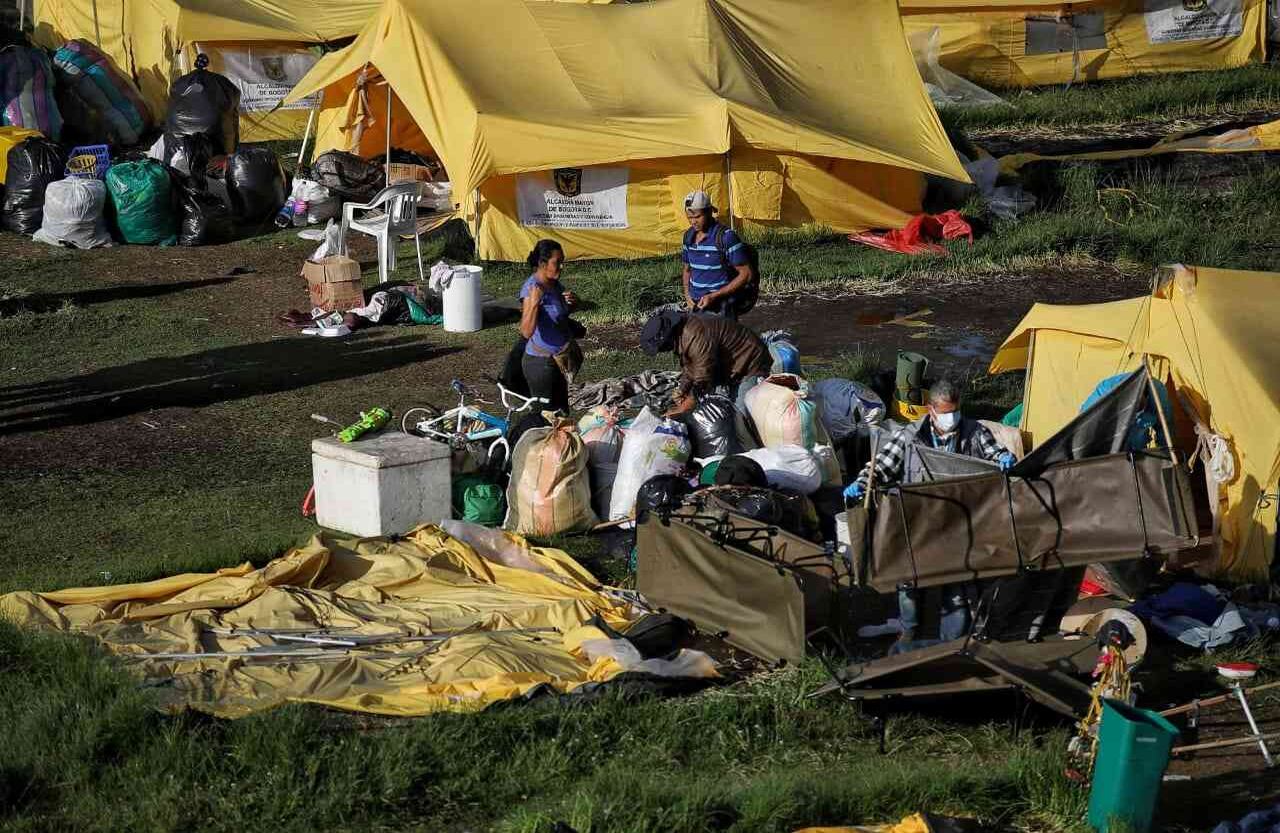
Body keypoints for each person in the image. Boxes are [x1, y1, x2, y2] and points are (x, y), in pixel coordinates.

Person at [843, 378, 1016, 651]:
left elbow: (997, 455)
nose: (952, 418)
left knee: (956, 583)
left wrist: (1005, 459)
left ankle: (954, 644)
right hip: (917, 521)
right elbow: (883, 466)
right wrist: (863, 482)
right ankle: (910, 630)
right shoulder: (909, 435)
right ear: (931, 409)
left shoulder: (975, 432)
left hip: (961, 523)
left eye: (955, 412)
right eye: (946, 413)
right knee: (910, 580)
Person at [640, 308, 770, 417]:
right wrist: (682, 389)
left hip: (750, 362)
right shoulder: (682, 335)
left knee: (740, 415)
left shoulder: (696, 336)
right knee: (720, 409)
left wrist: (684, 407)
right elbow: (690, 366)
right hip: (728, 366)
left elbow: (703, 378)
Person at [518, 239, 578, 412]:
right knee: (544, 417)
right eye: (557, 262)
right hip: (541, 365)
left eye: (562, 262)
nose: (561, 266)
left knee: (562, 413)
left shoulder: (554, 284)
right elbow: (526, 331)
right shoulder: (532, 290)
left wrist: (573, 303)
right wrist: (535, 302)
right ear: (542, 263)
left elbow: (558, 316)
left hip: (558, 361)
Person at [681, 190, 752, 320]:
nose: (693, 222)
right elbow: (687, 269)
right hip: (696, 307)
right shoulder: (688, 237)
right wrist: (687, 296)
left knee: (725, 339)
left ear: (709, 212)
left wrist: (714, 296)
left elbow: (746, 274)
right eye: (689, 217)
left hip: (721, 307)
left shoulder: (726, 237)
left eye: (697, 217)